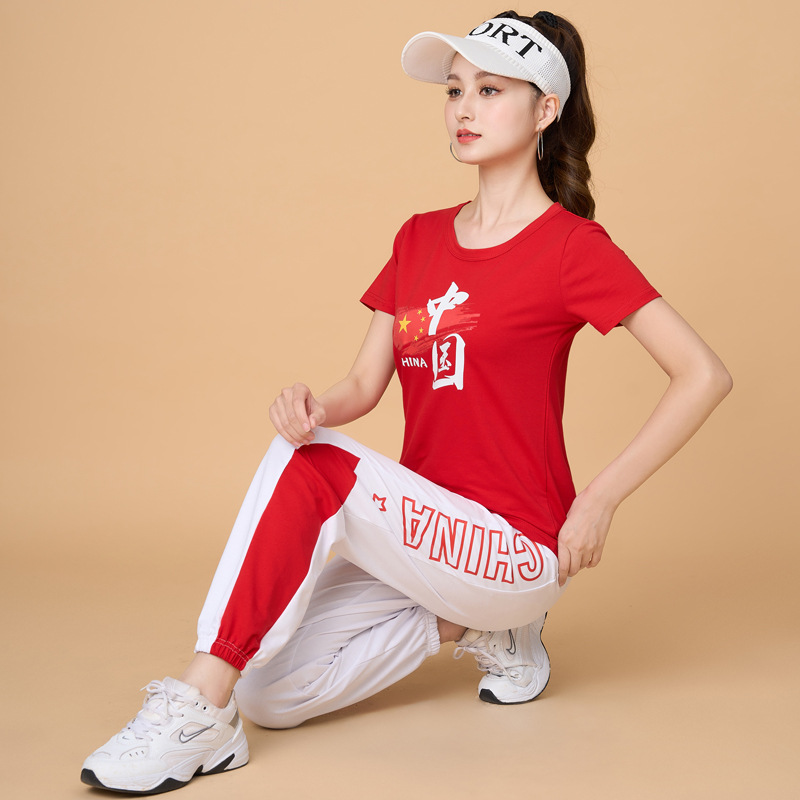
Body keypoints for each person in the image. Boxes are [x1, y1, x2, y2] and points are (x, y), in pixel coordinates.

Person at [81, 10, 732, 795]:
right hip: (423, 536)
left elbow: (703, 374)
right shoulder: (418, 238)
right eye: (455, 90)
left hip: (518, 542)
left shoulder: (570, 248)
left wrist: (598, 502)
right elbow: (363, 385)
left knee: (312, 477)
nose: (464, 109)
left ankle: (195, 706)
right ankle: (473, 625)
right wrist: (312, 406)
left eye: (489, 91)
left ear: (545, 110)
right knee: (269, 695)